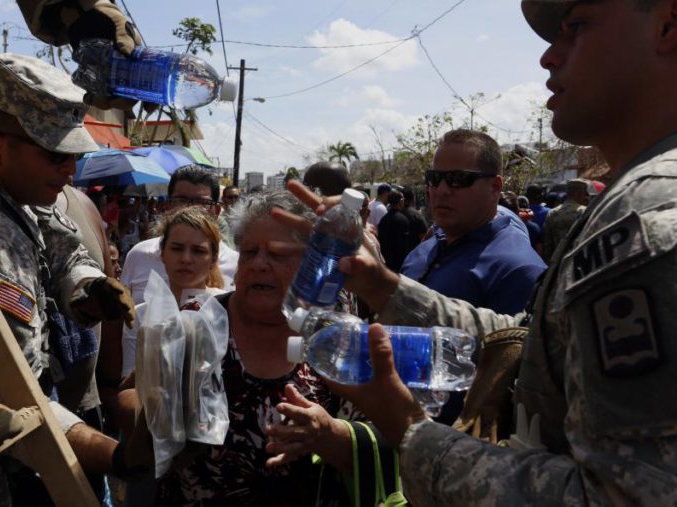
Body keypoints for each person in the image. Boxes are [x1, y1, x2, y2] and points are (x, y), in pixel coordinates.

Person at [276, 0, 677, 504]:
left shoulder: (650, 213)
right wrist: (382, 284)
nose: (549, 57)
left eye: (576, 27)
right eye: (435, 179)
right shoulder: (633, 198)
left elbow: (623, 496)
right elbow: (528, 342)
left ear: (667, 24)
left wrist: (411, 434)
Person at [0, 0, 141, 475]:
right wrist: (114, 455)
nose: (71, 170)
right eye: (56, 156)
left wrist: (87, 287)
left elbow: (61, 244)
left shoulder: (12, 192)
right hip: (8, 471)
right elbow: (10, 394)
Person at [159, 190, 356, 505]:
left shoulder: (335, 340)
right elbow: (132, 396)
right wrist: (155, 415)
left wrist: (329, 435)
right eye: (249, 252)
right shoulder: (195, 322)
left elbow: (382, 443)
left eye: (277, 254)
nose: (258, 265)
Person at [401, 129, 546, 316]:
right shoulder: (421, 252)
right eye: (434, 179)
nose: (442, 190)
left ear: (495, 187)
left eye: (458, 179)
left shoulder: (518, 270)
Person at [120, 207, 226, 377]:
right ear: (162, 253)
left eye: (198, 251)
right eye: (177, 248)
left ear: (213, 258)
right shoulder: (141, 316)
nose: (186, 259)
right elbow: (127, 392)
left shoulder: (227, 308)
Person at [120, 166, 239, 305]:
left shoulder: (236, 264)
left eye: (201, 203)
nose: (189, 209)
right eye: (181, 201)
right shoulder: (139, 255)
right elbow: (118, 320)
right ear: (168, 206)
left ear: (216, 210)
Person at [542, 178, 589, 261]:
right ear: (581, 193)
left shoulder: (552, 213)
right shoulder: (584, 212)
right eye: (585, 193)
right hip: (579, 261)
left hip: (557, 262)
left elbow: (547, 243)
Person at [377, 187, 410, 273]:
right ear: (401, 201)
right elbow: (403, 245)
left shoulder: (384, 219)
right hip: (399, 265)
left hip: (386, 263)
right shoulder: (402, 220)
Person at [401, 187, 428, 251]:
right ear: (413, 199)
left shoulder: (392, 214)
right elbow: (424, 237)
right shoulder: (416, 215)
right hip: (414, 252)